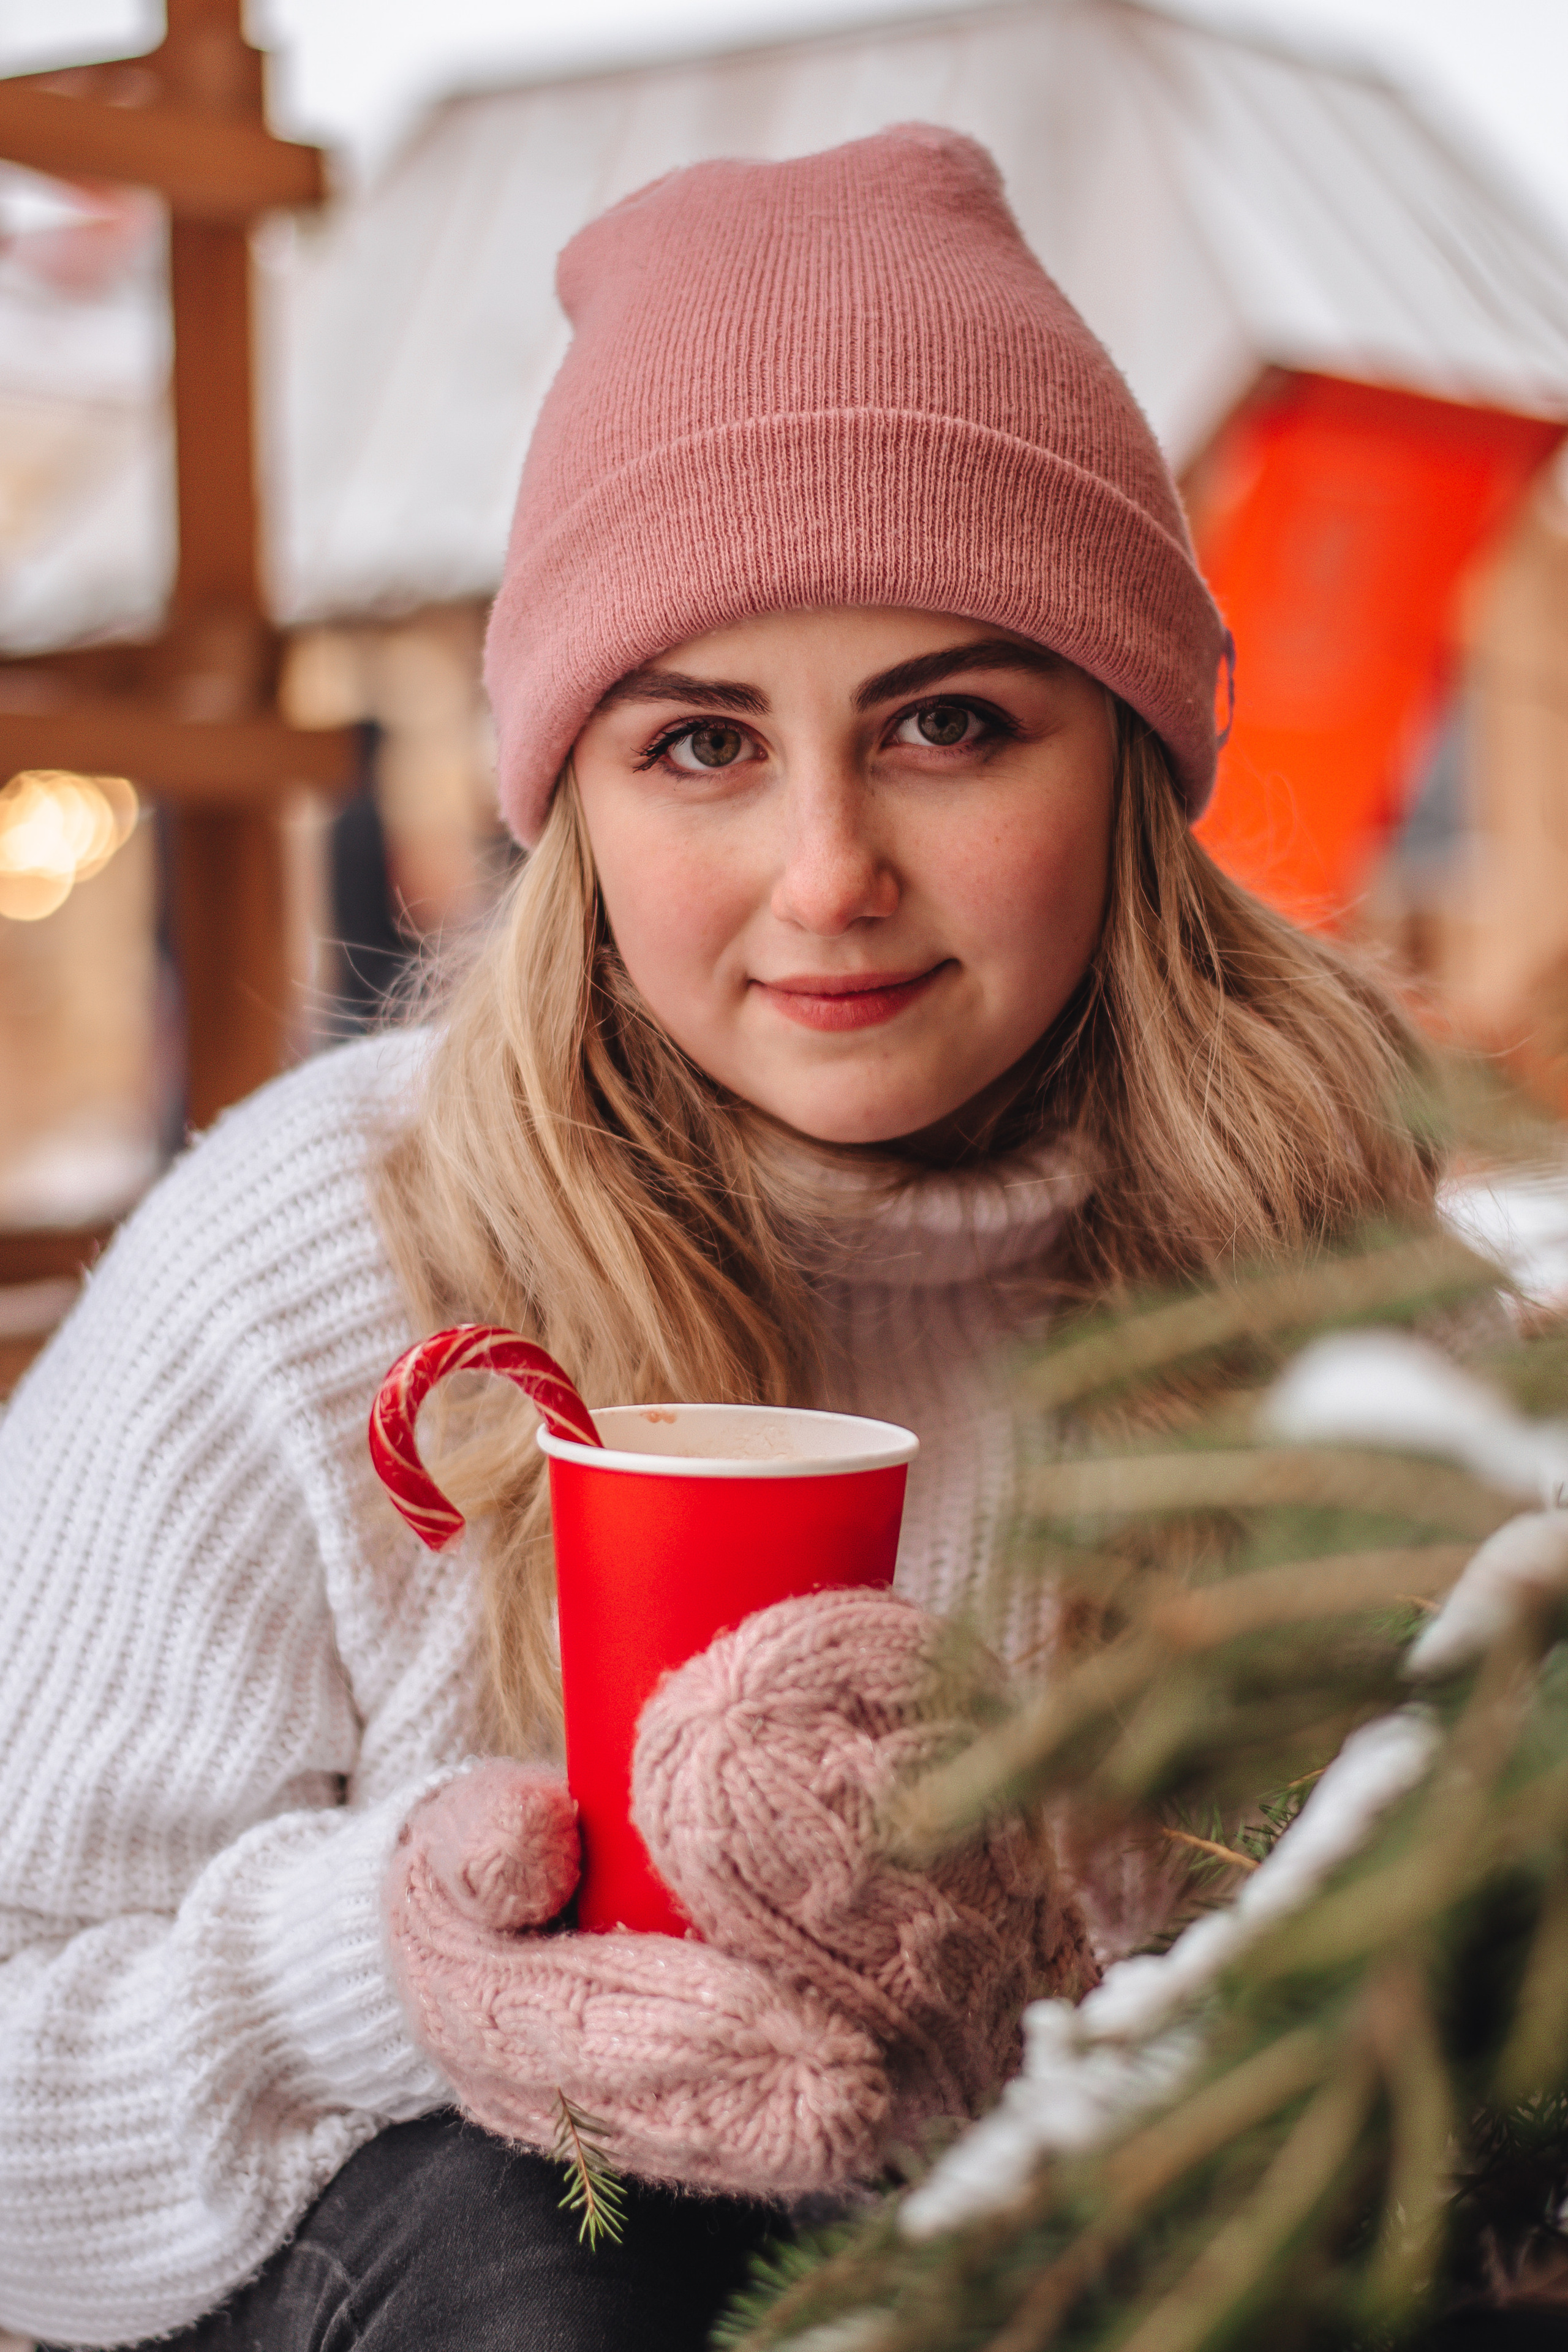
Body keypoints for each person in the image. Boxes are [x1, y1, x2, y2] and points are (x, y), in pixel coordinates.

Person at [0, 127, 1436, 2352]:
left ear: (1138, 753)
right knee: (554, 2241)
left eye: (949, 724)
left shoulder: (1328, 1268)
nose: (828, 869)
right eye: (699, 744)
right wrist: (386, 1973)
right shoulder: (323, 1259)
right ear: (574, 802)